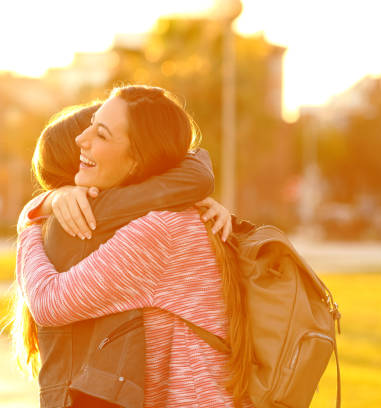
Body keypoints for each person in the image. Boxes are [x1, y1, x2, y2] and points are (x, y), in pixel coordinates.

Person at [16, 85, 253, 407]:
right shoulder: (164, 216)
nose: (81, 141)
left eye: (101, 134)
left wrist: (28, 226)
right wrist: (50, 203)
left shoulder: (158, 233)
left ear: (136, 159)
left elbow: (48, 303)